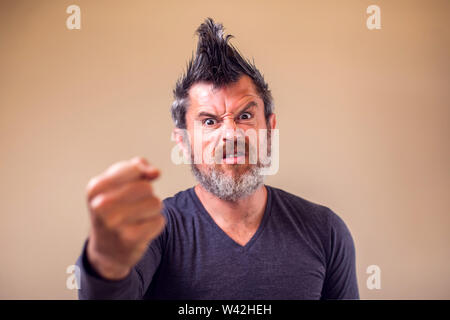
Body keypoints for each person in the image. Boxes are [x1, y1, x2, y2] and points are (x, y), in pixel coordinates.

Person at [76, 17, 359, 300]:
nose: (231, 134)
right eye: (210, 121)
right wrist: (105, 262)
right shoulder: (154, 230)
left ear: (270, 129)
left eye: (245, 116)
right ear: (183, 142)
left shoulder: (326, 231)